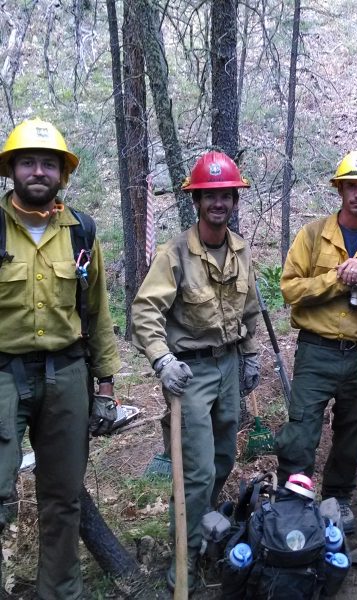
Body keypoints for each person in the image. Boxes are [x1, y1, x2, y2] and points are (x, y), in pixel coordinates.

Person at [0, 118, 120, 599]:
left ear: (62, 175)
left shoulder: (82, 232)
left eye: (47, 163)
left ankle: (60, 593)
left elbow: (99, 312)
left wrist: (106, 386)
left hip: (68, 374)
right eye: (27, 161)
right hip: (3, 374)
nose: (37, 171)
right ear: (11, 169)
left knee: (62, 498)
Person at [131, 151, 260, 591]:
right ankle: (183, 557)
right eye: (209, 195)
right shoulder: (175, 255)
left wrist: (252, 355)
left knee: (224, 458)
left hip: (228, 367)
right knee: (197, 470)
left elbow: (251, 311)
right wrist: (162, 360)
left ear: (234, 200)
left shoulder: (241, 251)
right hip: (190, 373)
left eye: (224, 194)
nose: (217, 203)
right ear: (197, 202)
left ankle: (205, 529)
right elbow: (145, 312)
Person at [275, 149, 357, 533]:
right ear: (340, 189)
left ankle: (336, 498)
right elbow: (290, 289)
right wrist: (339, 279)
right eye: (352, 185)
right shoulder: (313, 235)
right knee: (301, 431)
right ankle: (294, 500)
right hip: (316, 350)